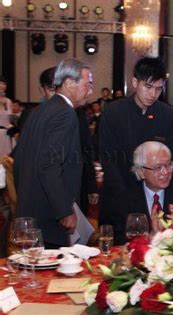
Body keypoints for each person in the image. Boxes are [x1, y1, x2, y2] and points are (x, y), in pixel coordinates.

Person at [99, 57, 173, 245]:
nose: (153, 94)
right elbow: (108, 159)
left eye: (158, 89)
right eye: (148, 87)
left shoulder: (167, 114)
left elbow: (172, 157)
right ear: (135, 82)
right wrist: (125, 199)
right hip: (120, 195)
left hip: (154, 198)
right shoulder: (113, 112)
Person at [14, 58, 93, 248]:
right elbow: (49, 165)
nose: (90, 91)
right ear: (68, 83)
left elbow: (19, 160)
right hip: (49, 215)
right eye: (87, 85)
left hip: (32, 208)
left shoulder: (40, 110)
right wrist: (64, 211)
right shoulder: (65, 113)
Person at [0, 77, 13, 157]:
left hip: (5, 133)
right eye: (0, 83)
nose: (2, 86)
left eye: (4, 84)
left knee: (5, 158)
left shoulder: (8, 101)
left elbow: (10, 117)